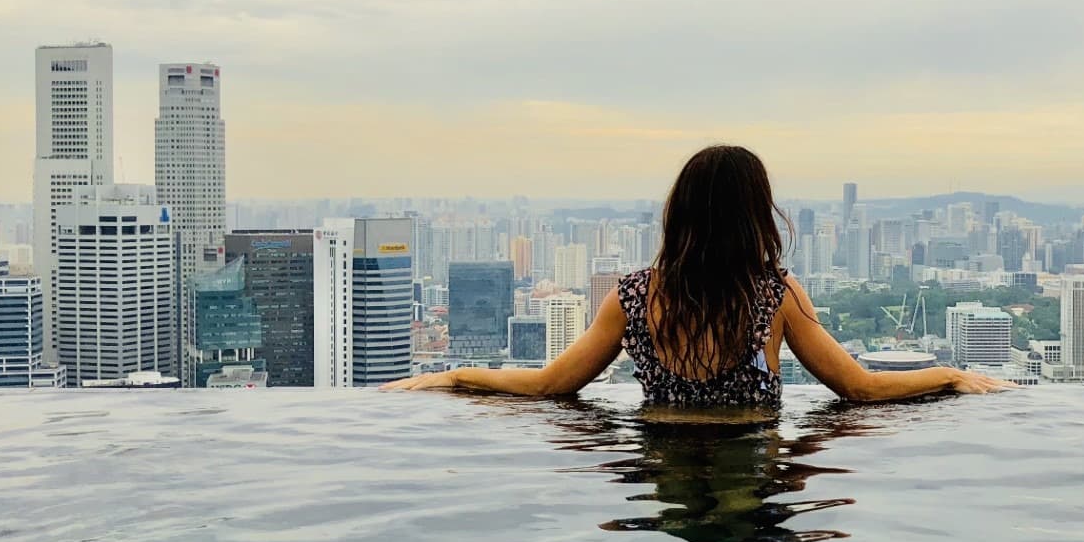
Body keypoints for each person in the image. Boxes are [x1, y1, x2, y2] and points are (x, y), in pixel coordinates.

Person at [381, 144, 1013, 404]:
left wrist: (455, 376)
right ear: (754, 215)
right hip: (750, 472)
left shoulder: (631, 297)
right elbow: (861, 389)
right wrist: (951, 376)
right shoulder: (777, 297)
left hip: (662, 471)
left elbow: (552, 386)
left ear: (678, 212)